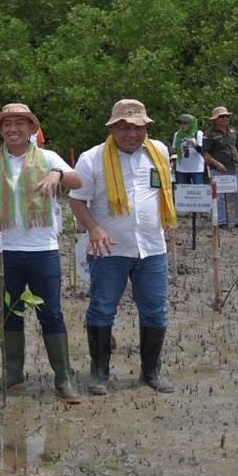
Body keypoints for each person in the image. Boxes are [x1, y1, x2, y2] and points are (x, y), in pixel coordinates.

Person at [0, 103, 82, 403]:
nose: (13, 129)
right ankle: (13, 372)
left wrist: (57, 176)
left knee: (50, 313)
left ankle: (63, 378)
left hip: (42, 250)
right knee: (10, 314)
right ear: (1, 129)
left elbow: (78, 180)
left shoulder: (49, 158)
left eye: (20, 123)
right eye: (7, 124)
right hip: (4, 251)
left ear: (31, 129)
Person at [70, 99, 177, 394]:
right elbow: (76, 199)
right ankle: (100, 373)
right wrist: (93, 228)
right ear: (112, 128)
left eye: (138, 127)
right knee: (103, 309)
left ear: (146, 127)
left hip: (152, 247)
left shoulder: (160, 153)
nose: (131, 133)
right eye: (124, 127)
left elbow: (163, 192)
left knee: (155, 311)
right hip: (109, 250)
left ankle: (151, 373)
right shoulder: (92, 158)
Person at [203, 107, 238, 228]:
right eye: (221, 116)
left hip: (235, 167)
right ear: (215, 119)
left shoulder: (233, 131)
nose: (224, 118)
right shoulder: (209, 134)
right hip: (218, 169)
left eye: (226, 116)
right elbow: (205, 153)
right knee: (219, 196)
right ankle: (222, 221)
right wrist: (217, 163)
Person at [171, 114, 205, 184]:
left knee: (198, 191)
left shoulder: (198, 133)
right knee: (183, 192)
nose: (182, 125)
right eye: (180, 123)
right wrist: (172, 150)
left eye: (185, 123)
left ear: (192, 124)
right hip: (182, 168)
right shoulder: (177, 134)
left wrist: (194, 144)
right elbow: (174, 150)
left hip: (196, 168)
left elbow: (201, 150)